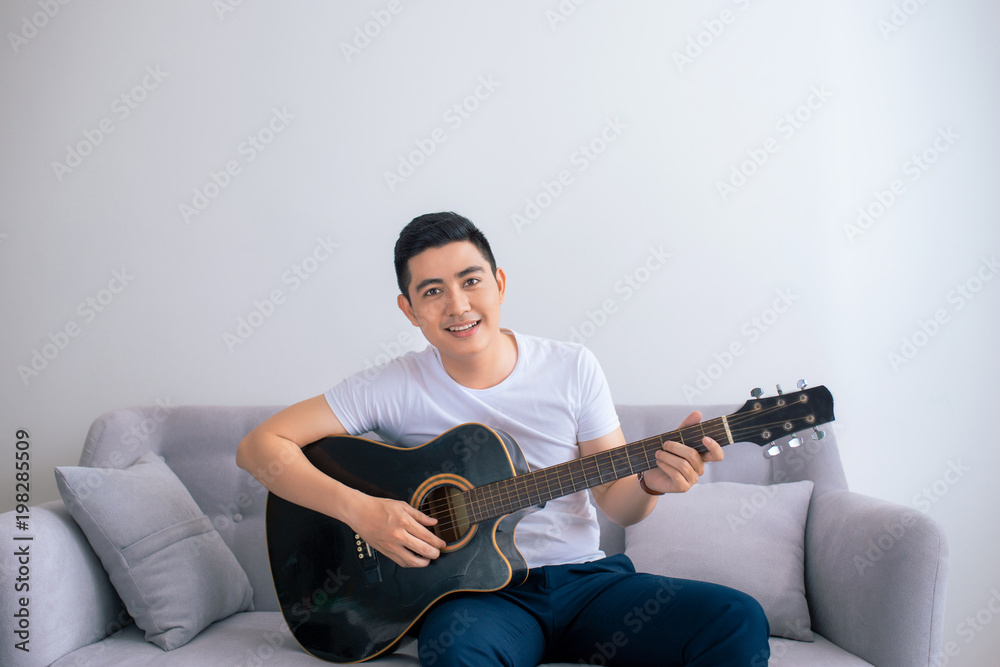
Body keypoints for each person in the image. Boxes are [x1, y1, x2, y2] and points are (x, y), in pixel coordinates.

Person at [236, 212, 770, 666]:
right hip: (478, 600)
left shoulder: (572, 367)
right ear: (409, 309)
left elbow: (619, 505)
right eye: (432, 291)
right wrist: (362, 512)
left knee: (736, 619)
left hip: (585, 583)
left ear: (499, 284)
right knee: (458, 654)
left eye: (471, 281)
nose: (458, 305)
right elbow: (261, 446)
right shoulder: (392, 385)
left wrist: (650, 484)